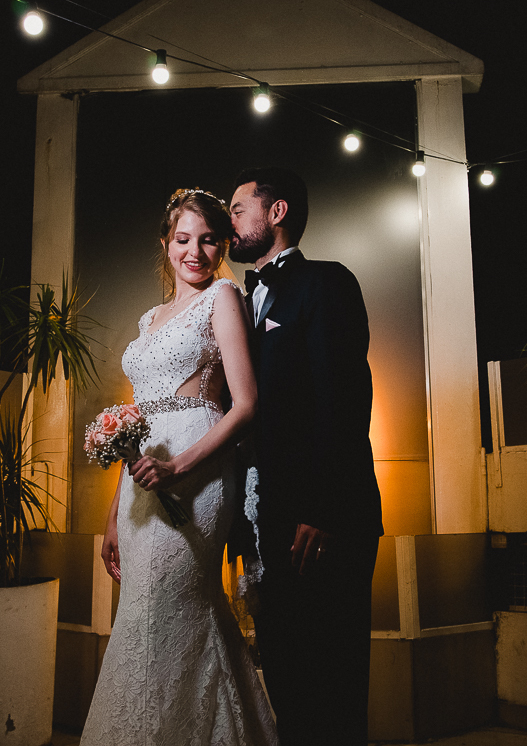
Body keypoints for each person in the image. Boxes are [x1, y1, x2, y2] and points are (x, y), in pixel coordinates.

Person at [81, 188, 278, 746]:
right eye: (183, 239)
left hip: (199, 472)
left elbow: (246, 405)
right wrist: (114, 515)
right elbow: (136, 423)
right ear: (166, 243)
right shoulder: (149, 318)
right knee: (139, 613)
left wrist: (180, 468)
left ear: (222, 247)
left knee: (176, 604)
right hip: (142, 480)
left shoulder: (223, 296)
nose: (195, 251)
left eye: (208, 240)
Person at [229, 167, 384, 746]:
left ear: (277, 212)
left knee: (333, 680)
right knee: (286, 674)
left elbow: (345, 397)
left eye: (238, 208)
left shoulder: (326, 282)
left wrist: (322, 509)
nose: (230, 220)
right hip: (266, 521)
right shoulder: (237, 302)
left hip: (323, 522)